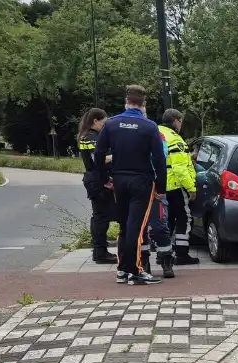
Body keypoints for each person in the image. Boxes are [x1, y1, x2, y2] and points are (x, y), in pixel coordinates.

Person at [93, 85, 169, 286]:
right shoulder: (149, 126)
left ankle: (122, 270)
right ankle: (135, 271)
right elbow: (159, 160)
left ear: (126, 102)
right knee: (137, 225)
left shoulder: (111, 124)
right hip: (142, 181)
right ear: (143, 105)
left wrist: (104, 178)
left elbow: (99, 154)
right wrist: (161, 188)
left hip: (119, 179)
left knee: (124, 225)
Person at [158, 109, 200, 272]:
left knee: (164, 220)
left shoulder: (155, 132)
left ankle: (163, 252)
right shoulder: (175, 140)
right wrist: (191, 189)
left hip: (157, 186)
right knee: (184, 218)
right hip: (174, 186)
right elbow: (180, 170)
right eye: (181, 121)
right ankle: (181, 254)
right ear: (176, 121)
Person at [76, 108, 117, 265]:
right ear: (95, 121)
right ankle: (100, 252)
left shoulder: (90, 135)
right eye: (104, 122)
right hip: (98, 181)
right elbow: (98, 159)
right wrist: (119, 154)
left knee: (102, 216)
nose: (105, 126)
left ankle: (100, 251)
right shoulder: (90, 137)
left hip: (98, 180)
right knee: (101, 217)